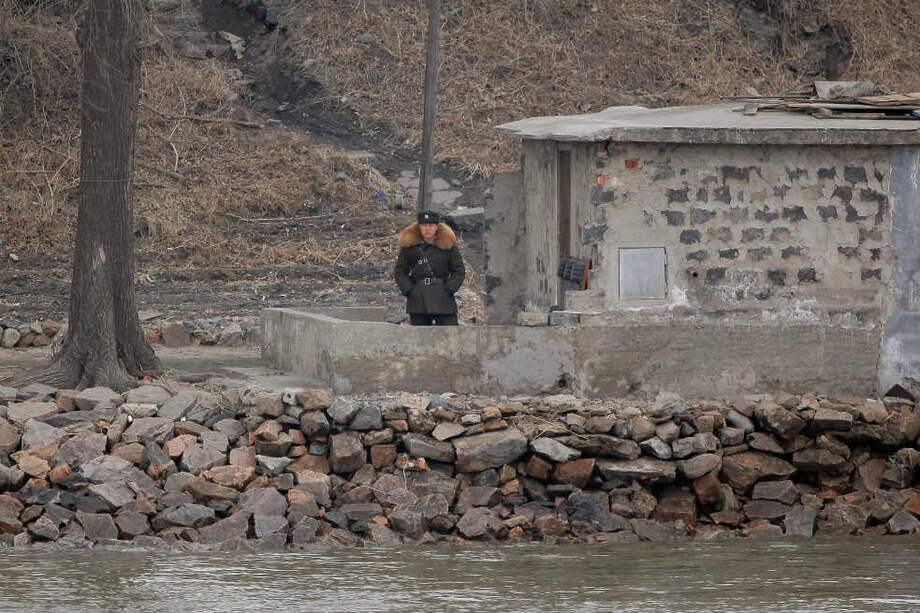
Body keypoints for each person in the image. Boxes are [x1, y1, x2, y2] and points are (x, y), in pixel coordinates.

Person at [394, 210, 465, 325]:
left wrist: (449, 289)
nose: (427, 229)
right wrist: (410, 290)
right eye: (424, 225)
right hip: (418, 299)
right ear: (419, 227)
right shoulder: (410, 246)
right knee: (420, 335)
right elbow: (400, 272)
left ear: (436, 227)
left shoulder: (447, 245)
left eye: (431, 225)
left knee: (448, 333)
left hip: (443, 298)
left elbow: (459, 271)